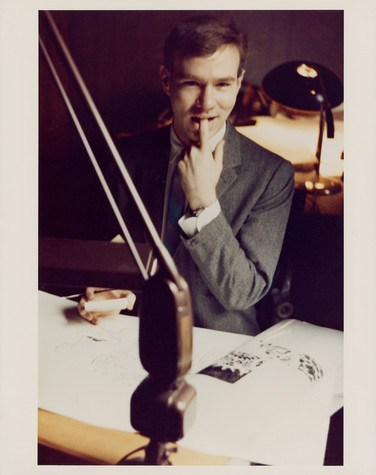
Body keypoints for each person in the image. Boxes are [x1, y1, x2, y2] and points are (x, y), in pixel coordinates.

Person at [79, 15, 295, 335]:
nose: (207, 103)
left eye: (222, 84)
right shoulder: (123, 158)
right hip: (133, 337)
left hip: (220, 343)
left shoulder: (272, 175)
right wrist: (108, 291)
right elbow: (111, 263)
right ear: (166, 81)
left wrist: (204, 201)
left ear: (238, 83)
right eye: (192, 83)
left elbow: (242, 292)